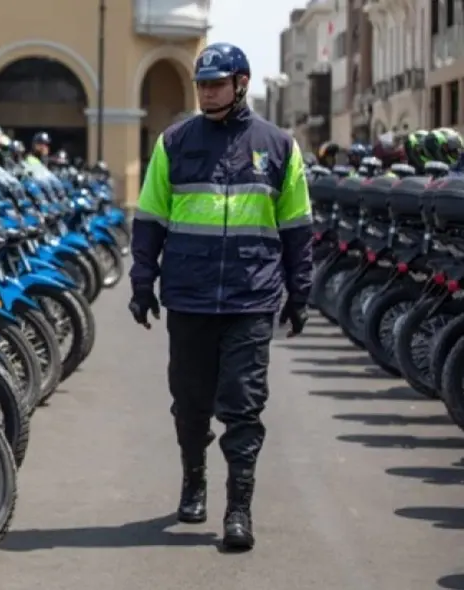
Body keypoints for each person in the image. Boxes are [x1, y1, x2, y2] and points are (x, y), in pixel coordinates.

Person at [128, 42, 312, 552]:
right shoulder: (174, 143)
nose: (207, 92)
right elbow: (149, 220)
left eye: (217, 83)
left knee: (244, 407)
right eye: (202, 85)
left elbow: (297, 227)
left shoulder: (278, 146)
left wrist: (300, 294)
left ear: (241, 83)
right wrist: (142, 284)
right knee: (189, 406)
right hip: (188, 297)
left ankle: (238, 510)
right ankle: (193, 479)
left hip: (250, 300)